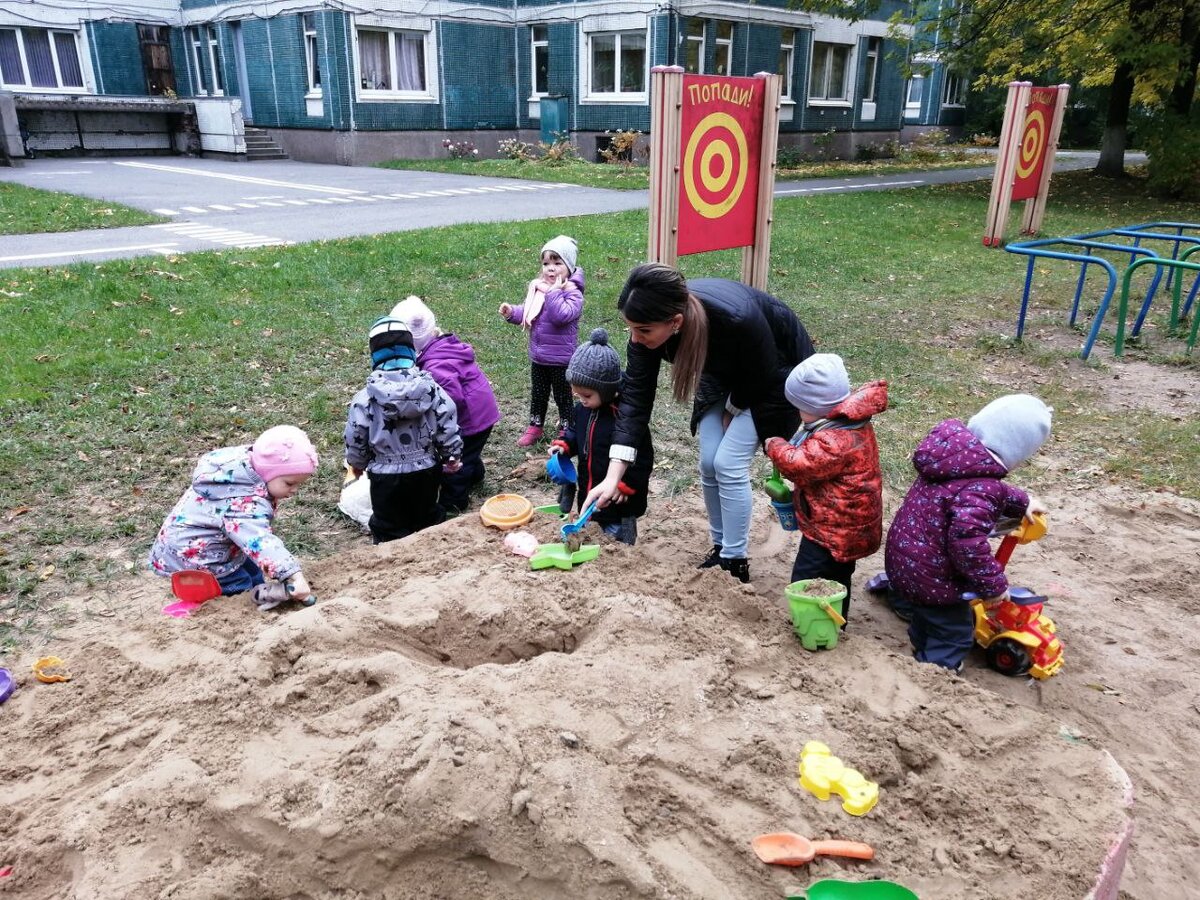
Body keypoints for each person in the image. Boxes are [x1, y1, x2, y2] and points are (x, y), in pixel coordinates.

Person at [581, 262, 815, 583]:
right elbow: (635, 401)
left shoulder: (737, 318)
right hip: (721, 369)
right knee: (708, 461)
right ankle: (721, 548)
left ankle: (734, 561)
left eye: (644, 330)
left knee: (728, 463)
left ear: (675, 322)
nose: (635, 338)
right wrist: (612, 476)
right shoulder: (648, 329)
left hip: (775, 375)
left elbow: (761, 374)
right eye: (630, 328)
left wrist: (733, 408)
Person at [883, 394, 1051, 673]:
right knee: (953, 630)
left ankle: (921, 639)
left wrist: (1023, 502)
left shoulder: (950, 459)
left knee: (929, 613)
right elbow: (967, 546)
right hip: (932, 576)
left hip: (903, 561)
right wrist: (994, 587)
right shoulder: (979, 488)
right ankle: (936, 670)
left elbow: (984, 488)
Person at [764, 354, 887, 624]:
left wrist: (775, 446)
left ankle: (814, 626)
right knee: (838, 577)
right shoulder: (850, 422)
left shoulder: (833, 439)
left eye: (800, 407)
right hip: (849, 525)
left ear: (817, 407)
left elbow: (798, 465)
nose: (798, 413)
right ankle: (836, 620)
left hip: (833, 532)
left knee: (809, 579)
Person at [148, 424, 318, 611]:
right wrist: (293, 575)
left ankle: (254, 590)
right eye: (289, 483)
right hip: (199, 561)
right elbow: (260, 541)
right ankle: (209, 605)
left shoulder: (238, 471)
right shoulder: (241, 504)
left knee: (253, 573)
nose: (294, 490)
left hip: (200, 544)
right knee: (239, 590)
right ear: (268, 472)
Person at [344, 316, 464, 543]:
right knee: (427, 514)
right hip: (426, 468)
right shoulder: (432, 389)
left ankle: (392, 554)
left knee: (388, 522)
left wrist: (356, 464)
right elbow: (447, 420)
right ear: (411, 352)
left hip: (384, 474)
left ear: (375, 357)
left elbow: (356, 433)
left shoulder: (366, 397)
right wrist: (451, 454)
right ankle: (430, 546)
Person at [390, 295, 501, 514]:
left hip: (470, 420)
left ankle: (454, 503)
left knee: (456, 460)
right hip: (483, 413)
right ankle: (476, 473)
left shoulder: (436, 366)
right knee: (470, 452)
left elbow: (450, 400)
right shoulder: (442, 346)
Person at [549, 328, 654, 545]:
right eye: (576, 393)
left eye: (587, 395)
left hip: (620, 500)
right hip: (590, 485)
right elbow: (574, 433)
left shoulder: (626, 419)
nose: (581, 400)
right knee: (592, 524)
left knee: (617, 539)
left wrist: (625, 485)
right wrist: (565, 446)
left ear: (607, 391)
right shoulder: (582, 410)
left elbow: (643, 458)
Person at [499, 235, 585, 447]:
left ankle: (567, 426)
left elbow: (560, 316)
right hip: (539, 356)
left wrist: (554, 293)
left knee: (563, 395)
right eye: (546, 263)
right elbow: (530, 312)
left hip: (561, 359)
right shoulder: (539, 289)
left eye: (557, 263)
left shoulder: (573, 294)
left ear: (570, 267)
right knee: (538, 393)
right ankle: (535, 426)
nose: (550, 269)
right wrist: (512, 312)